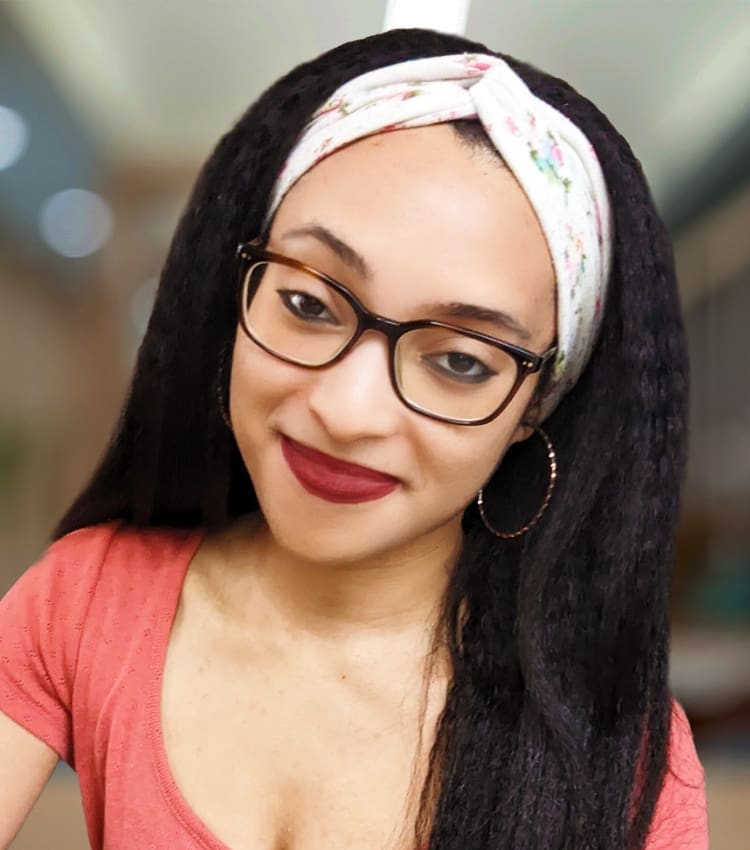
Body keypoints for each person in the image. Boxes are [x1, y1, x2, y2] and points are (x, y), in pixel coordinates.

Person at [0, 27, 707, 850]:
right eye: (308, 305)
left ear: (534, 408)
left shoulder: (625, 756)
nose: (348, 409)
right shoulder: (88, 600)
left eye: (457, 360)